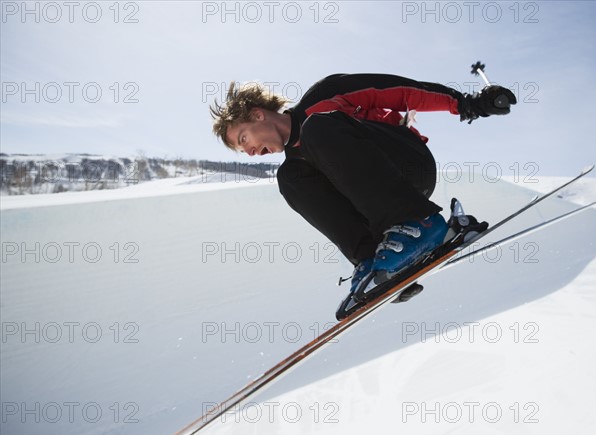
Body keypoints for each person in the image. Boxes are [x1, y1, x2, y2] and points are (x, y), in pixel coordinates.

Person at [210, 73, 516, 295]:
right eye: (242, 150)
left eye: (243, 139)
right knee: (290, 177)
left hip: (407, 165)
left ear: (257, 114)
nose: (250, 151)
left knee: (316, 126)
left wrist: (466, 103)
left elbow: (401, 92)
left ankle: (420, 222)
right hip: (376, 208)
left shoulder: (324, 97)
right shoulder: (297, 170)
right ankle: (377, 262)